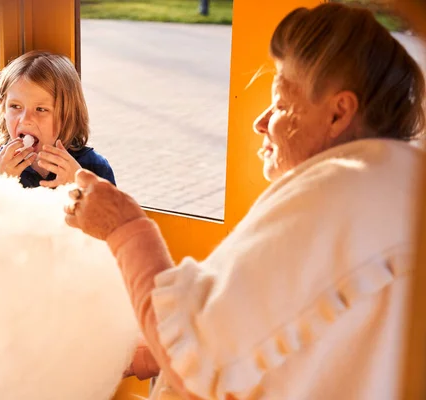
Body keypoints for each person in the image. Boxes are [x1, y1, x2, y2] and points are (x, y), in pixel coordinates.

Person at [64, 3, 425, 399]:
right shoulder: (396, 183)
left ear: (339, 113)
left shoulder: (342, 189)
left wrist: (123, 226)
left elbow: (194, 360)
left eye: (282, 104)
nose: (262, 121)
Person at [0, 50, 116, 188]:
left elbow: (115, 213)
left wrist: (81, 188)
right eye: (15, 106)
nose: (25, 120)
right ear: (3, 108)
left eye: (41, 109)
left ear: (67, 115)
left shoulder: (94, 168)